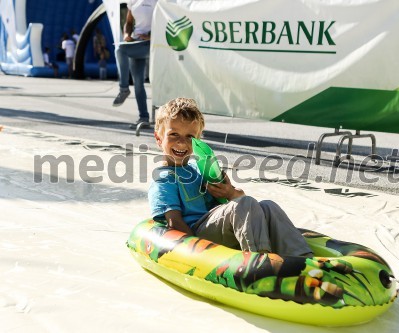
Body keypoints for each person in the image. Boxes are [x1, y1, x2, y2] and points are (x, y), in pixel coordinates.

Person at [148, 97, 313, 257]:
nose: (182, 142)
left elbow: (240, 202)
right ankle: (260, 259)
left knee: (268, 206)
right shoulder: (164, 179)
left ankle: (304, 257)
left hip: (216, 223)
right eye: (174, 135)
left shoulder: (199, 168)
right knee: (245, 204)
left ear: (199, 140)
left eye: (190, 137)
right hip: (198, 233)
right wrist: (196, 253)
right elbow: (174, 222)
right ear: (159, 138)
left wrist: (229, 192)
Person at [113, 0, 158, 129]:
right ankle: (143, 117)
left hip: (151, 43)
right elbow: (128, 23)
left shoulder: (157, 2)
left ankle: (124, 89)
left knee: (120, 50)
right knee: (138, 82)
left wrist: (150, 36)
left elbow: (164, 21)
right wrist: (127, 35)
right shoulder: (133, 2)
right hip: (136, 42)